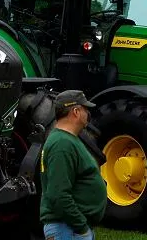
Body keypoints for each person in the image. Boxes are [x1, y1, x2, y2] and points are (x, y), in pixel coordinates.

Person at [39, 90, 106, 240]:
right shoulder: (62, 144)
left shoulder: (66, 140)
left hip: (70, 228)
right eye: (85, 109)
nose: (88, 113)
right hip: (68, 230)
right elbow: (59, 194)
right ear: (75, 111)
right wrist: (81, 227)